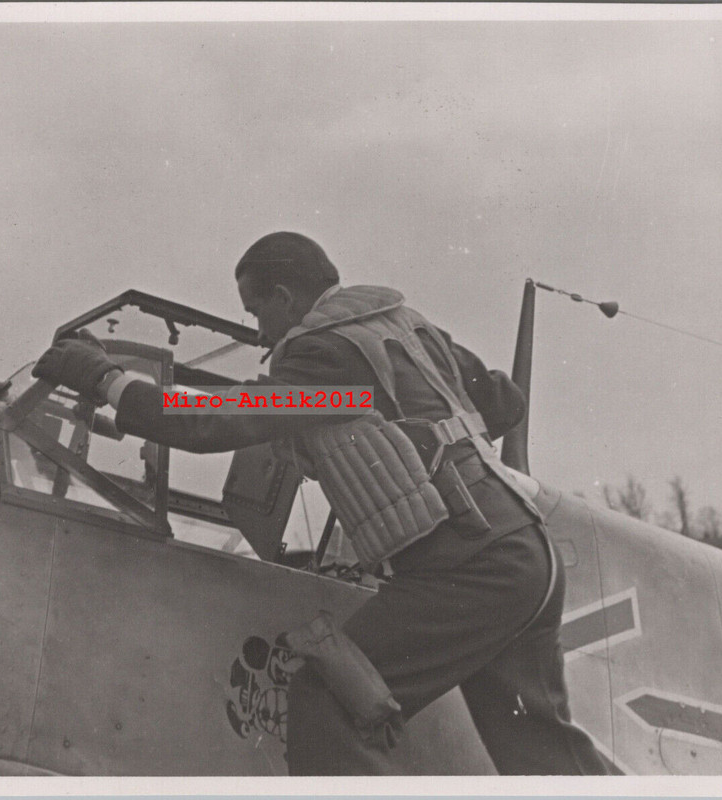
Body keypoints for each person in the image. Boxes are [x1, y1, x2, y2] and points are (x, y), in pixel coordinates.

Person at [32, 231, 610, 775]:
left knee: (330, 696)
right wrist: (393, 434)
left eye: (257, 312)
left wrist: (105, 378)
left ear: (285, 297)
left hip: (467, 567)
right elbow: (505, 402)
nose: (258, 334)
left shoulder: (320, 355)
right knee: (541, 755)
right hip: (528, 552)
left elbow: (203, 423)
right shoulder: (404, 327)